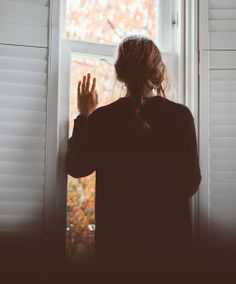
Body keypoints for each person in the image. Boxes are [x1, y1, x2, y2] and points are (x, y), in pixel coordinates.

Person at [66, 35, 201, 266]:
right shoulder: (181, 117)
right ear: (158, 73)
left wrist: (84, 117)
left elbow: (77, 167)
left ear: (120, 74)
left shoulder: (102, 120)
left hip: (118, 249)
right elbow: (191, 183)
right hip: (171, 248)